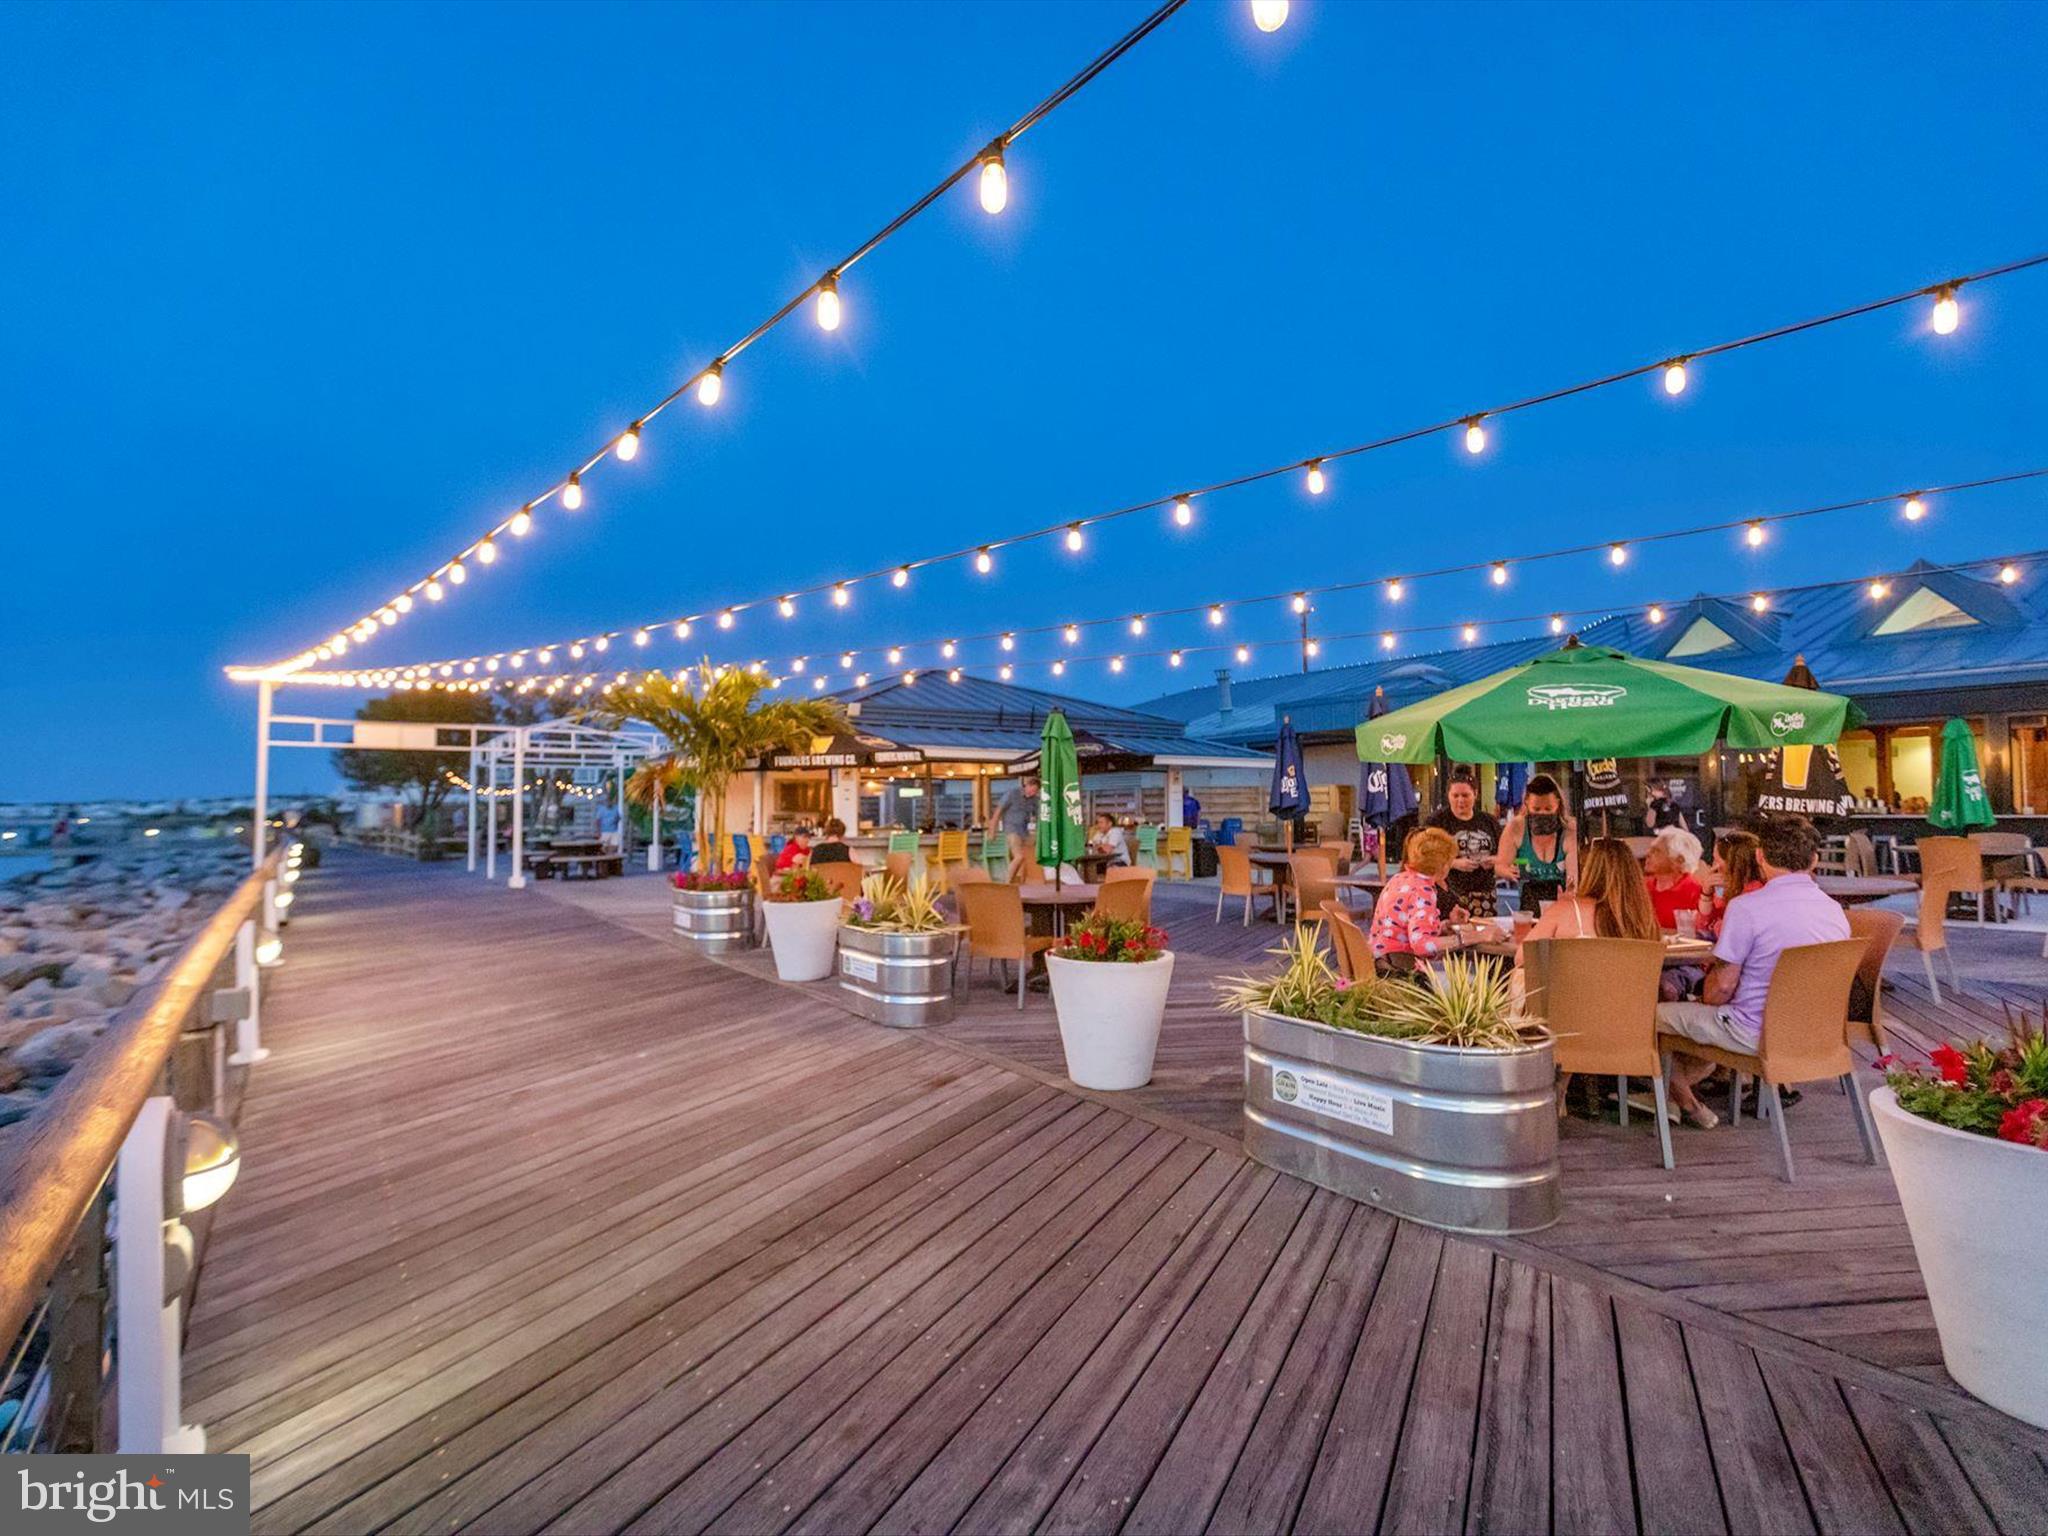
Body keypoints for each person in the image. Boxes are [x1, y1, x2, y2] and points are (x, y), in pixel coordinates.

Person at [1657, 814, 1850, 1129]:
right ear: (1814, 860)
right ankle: (1675, 1096)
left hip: (1752, 1033)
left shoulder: (1748, 908)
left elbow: (1720, 990)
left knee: (1648, 1017)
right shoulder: (1835, 912)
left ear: (1760, 856)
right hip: (1818, 1032)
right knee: (1694, 1017)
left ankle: (1681, 1101)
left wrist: (1701, 999)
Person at [1517, 837, 1660, 954]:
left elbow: (1522, 957)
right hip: (1632, 989)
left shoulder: (1566, 910)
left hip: (1575, 989)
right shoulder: (1644, 918)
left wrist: (1556, 912)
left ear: (1587, 872)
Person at [1370, 827, 1468, 971]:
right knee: (1471, 983)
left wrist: (1444, 925)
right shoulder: (1423, 891)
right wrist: (1469, 938)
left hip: (1380, 962)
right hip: (1399, 972)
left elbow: (1405, 929)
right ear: (1442, 865)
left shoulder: (1399, 879)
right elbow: (1422, 945)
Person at [1426, 769, 1502, 918]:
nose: (1460, 800)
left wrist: (1494, 861)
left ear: (1475, 794)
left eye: (1465, 795)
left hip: (1484, 893)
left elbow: (1506, 854)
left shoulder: (1489, 821)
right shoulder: (1436, 821)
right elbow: (1426, 856)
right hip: (1449, 892)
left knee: (1485, 935)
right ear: (1448, 796)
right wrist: (1453, 863)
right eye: (1455, 796)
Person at [1496, 773, 1577, 911]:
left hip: (1563, 904)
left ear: (1557, 803)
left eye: (1548, 809)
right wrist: (1508, 872)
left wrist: (1571, 889)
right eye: (1536, 809)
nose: (1542, 814)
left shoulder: (1569, 830)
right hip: (1528, 904)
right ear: (1527, 802)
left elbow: (1573, 877)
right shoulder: (1515, 828)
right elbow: (1500, 865)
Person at [1695, 830, 1762, 940]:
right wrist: (1706, 894)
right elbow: (1702, 927)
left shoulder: (1755, 891)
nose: (1713, 867)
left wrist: (1714, 925)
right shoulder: (1722, 888)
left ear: (1734, 863)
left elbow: (1729, 933)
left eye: (1716, 860)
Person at [1643, 826, 1705, 932]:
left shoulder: (1695, 893)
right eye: (1650, 849)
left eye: (1656, 851)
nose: (1648, 854)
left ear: (1679, 860)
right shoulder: (1640, 886)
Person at [993, 776, 1037, 871]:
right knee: (1019, 857)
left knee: (1031, 854)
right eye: (1032, 790)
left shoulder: (1034, 799)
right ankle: (1007, 882)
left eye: (1035, 791)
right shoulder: (1012, 794)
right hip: (1011, 830)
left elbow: (1040, 816)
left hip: (1024, 832)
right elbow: (997, 812)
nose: (1032, 793)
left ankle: (1023, 880)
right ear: (1027, 786)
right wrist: (993, 830)